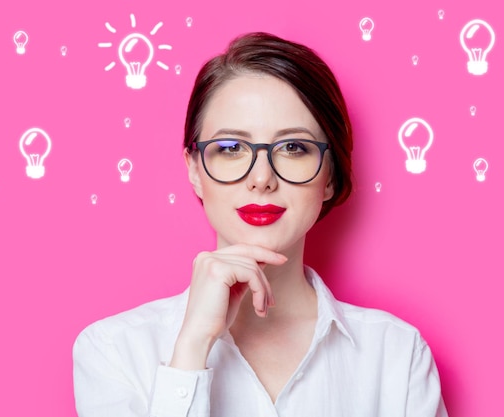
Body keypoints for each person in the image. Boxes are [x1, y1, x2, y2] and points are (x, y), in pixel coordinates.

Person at [73, 32, 448, 416]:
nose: (261, 178)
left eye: (294, 147)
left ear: (330, 175)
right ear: (195, 171)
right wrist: (192, 348)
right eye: (232, 148)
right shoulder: (113, 350)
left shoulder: (397, 355)